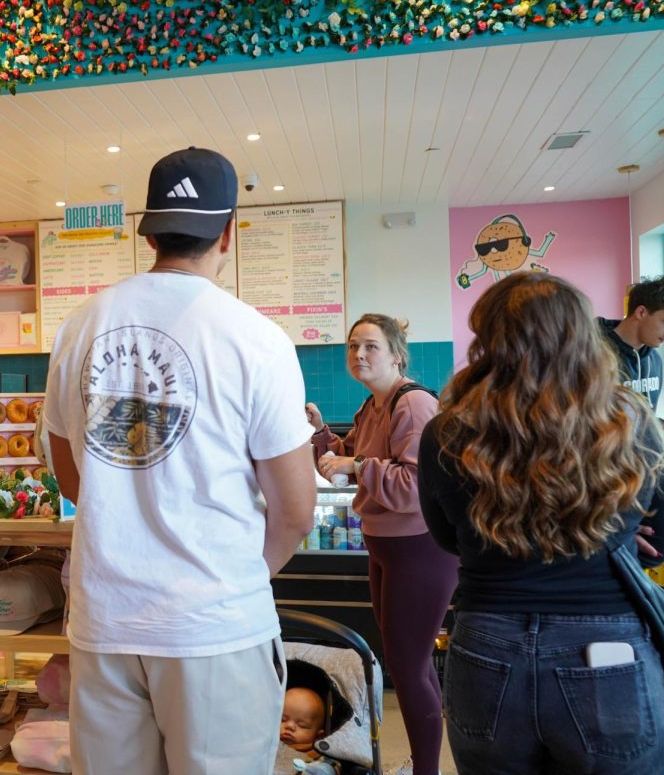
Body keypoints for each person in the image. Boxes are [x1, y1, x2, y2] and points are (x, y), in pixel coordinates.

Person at [43, 147, 317, 774]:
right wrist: (246, 575)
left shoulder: (81, 325)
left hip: (105, 620)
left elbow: (69, 470)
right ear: (228, 233)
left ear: (150, 231)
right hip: (214, 625)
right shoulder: (256, 338)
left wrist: (126, 523)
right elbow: (297, 510)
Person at [418, 272, 664, 775]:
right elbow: (661, 542)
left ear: (489, 338)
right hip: (606, 645)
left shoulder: (446, 431)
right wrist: (612, 534)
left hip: (486, 642)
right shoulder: (631, 421)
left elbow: (448, 538)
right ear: (583, 335)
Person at [305, 314, 456, 775]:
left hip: (419, 549)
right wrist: (320, 434)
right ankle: (420, 764)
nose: (359, 355)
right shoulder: (372, 406)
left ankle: (425, 770)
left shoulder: (413, 405)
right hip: (385, 547)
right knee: (408, 663)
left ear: (397, 354)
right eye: (353, 347)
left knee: (408, 670)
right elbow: (349, 455)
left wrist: (354, 464)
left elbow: (413, 484)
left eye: (371, 346)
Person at [597, 275, 664, 411]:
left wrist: (661, 428)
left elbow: (646, 420)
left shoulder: (655, 361)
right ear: (641, 312)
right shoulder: (592, 355)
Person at [280, 686, 325, 755]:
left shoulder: (316, 755)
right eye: (282, 720)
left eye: (302, 725)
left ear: (319, 736)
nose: (289, 726)